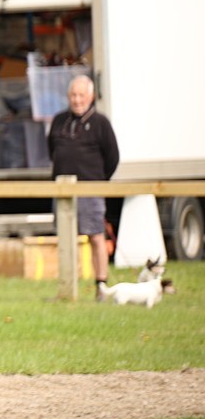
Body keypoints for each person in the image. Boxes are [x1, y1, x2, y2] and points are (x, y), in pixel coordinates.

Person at [47, 74, 120, 301]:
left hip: (90, 189)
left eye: (81, 95)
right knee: (66, 239)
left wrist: (98, 182)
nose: (77, 100)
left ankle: (101, 285)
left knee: (96, 237)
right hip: (62, 190)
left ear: (90, 97)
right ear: (68, 96)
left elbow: (112, 157)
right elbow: (52, 150)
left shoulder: (100, 123)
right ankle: (69, 287)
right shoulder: (59, 120)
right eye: (73, 95)